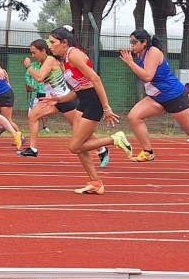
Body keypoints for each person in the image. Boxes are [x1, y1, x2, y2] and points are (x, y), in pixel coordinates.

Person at [119, 29, 189, 180]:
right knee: (134, 117)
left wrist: (130, 63)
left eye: (135, 42)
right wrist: (133, 62)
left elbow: (148, 76)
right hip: (157, 97)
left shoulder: (153, 52)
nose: (132, 45)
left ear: (144, 42)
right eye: (131, 42)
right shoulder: (141, 54)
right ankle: (148, 152)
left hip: (174, 97)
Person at [43, 26, 133, 195]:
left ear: (64, 43)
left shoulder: (74, 54)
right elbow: (78, 89)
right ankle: (95, 182)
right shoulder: (65, 59)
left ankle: (114, 139)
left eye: (53, 42)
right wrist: (58, 100)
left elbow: (95, 79)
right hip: (83, 100)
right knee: (81, 146)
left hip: (93, 101)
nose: (50, 46)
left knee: (75, 147)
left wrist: (106, 107)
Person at [19, 39, 110, 169]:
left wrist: (28, 66)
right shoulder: (45, 62)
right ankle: (33, 149)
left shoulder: (50, 60)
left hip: (65, 99)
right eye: (31, 54)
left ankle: (102, 149)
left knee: (82, 131)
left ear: (43, 51)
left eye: (34, 53)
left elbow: (39, 78)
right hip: (53, 100)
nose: (33, 56)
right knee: (33, 116)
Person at [25, 60, 50, 133]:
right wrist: (30, 85)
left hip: (45, 91)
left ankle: (45, 127)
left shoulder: (48, 64)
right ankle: (34, 127)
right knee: (32, 110)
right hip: (35, 92)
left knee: (44, 109)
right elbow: (27, 76)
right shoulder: (32, 65)